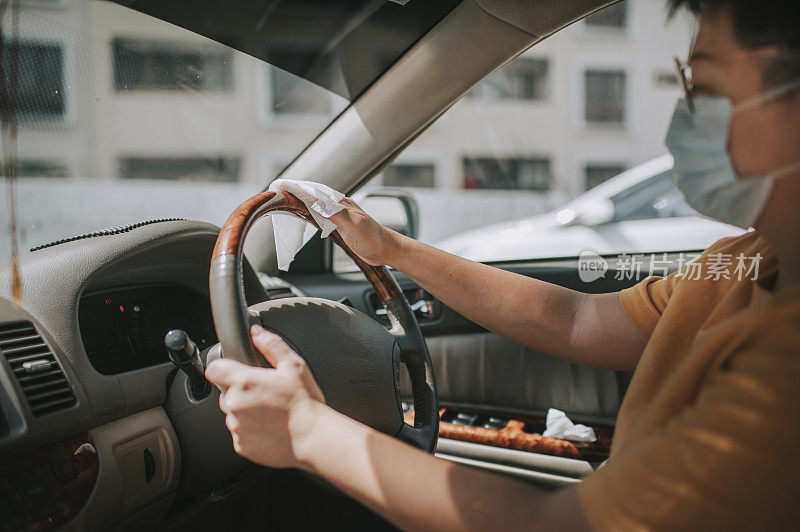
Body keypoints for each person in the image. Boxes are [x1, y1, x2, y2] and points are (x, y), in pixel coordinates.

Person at [205, 1, 800, 529]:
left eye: (707, 88)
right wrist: (394, 250)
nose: (687, 111)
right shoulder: (742, 263)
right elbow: (579, 322)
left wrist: (306, 430)